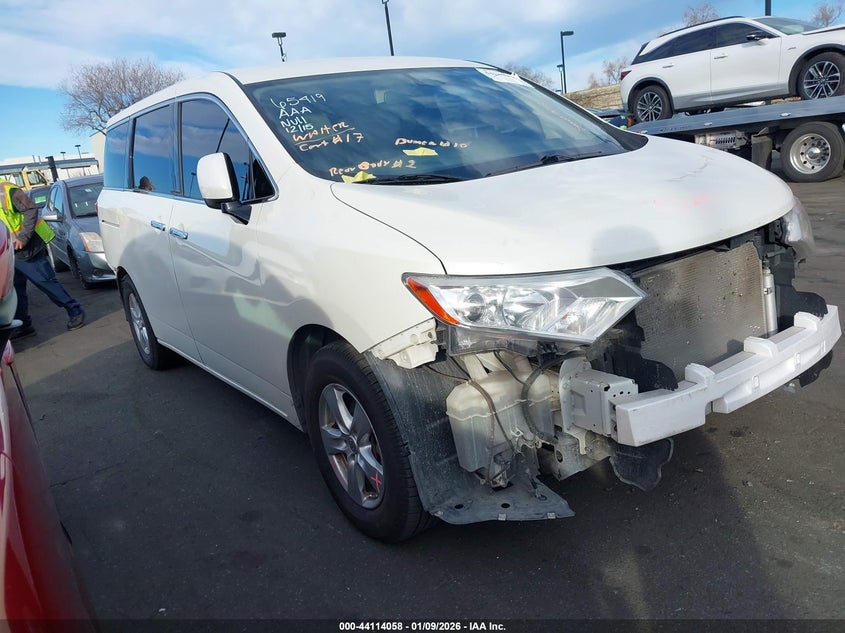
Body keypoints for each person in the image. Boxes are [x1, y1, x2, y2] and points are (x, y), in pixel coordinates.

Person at [0, 182, 85, 339]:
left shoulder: (7, 192)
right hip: (9, 252)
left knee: (46, 282)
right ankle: (24, 325)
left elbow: (31, 209)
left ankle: (75, 311)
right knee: (16, 291)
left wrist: (23, 237)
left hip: (27, 248)